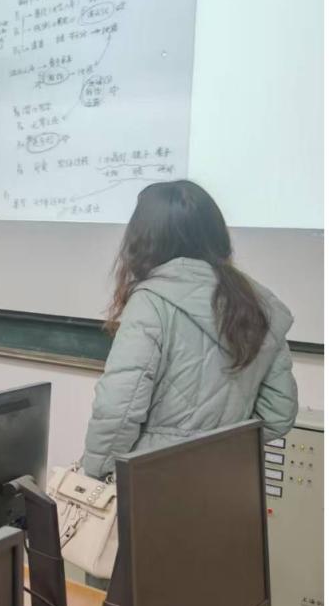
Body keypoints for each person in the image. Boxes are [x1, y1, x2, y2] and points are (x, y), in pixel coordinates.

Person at [82, 180, 298, 480]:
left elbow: (117, 410)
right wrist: (218, 449)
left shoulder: (151, 301)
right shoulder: (259, 304)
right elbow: (279, 414)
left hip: (154, 480)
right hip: (228, 482)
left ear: (144, 239)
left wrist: (93, 476)